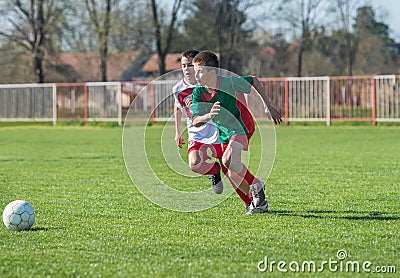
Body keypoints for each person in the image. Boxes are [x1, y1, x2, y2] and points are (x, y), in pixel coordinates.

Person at [191, 50, 282, 215]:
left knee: (227, 159)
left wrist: (267, 105)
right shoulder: (198, 92)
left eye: (199, 71)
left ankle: (257, 186)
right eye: (194, 70)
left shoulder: (228, 83)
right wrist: (209, 115)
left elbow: (254, 80)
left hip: (242, 126)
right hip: (225, 133)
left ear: (212, 72)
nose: (195, 75)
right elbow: (195, 121)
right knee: (232, 173)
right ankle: (258, 202)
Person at [173, 50, 223, 194]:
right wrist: (177, 132)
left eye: (189, 65)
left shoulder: (208, 82)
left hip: (215, 129)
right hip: (195, 132)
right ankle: (214, 170)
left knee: (229, 163)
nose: (186, 69)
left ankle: (250, 196)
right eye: (183, 66)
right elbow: (178, 108)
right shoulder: (178, 89)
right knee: (194, 165)